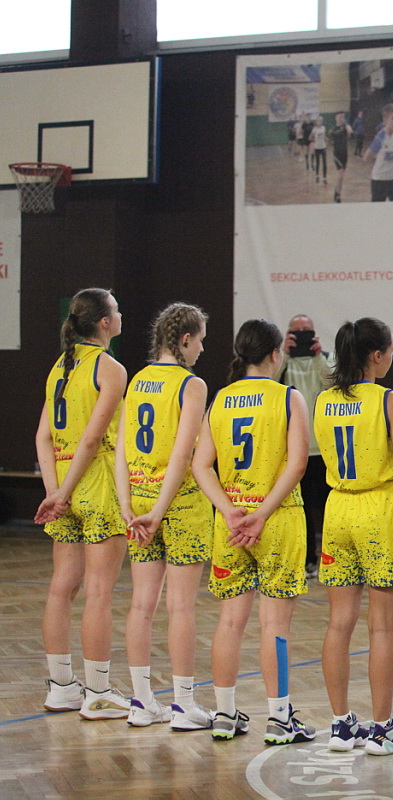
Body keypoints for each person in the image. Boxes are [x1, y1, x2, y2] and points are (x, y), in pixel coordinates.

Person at [192, 319, 315, 745]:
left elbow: (200, 465)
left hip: (229, 526)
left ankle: (224, 714)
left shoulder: (221, 399)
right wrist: (260, 514)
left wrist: (229, 510)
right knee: (274, 625)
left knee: (229, 622)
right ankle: (279, 719)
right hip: (276, 520)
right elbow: (297, 464)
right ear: (275, 354)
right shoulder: (288, 397)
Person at [315, 318, 393, 756]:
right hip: (379, 510)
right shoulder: (388, 400)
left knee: (338, 623)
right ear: (377, 355)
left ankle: (341, 725)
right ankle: (382, 730)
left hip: (338, 508)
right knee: (382, 627)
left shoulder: (323, 400)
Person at [116, 303, 215, 731]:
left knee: (141, 604)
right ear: (185, 339)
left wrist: (127, 505)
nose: (202, 349)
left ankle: (141, 702)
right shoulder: (191, 385)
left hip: (138, 502)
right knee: (180, 607)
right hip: (180, 506)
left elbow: (121, 449)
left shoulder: (138, 379)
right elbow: (182, 455)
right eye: (201, 340)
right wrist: (159, 511)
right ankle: (183, 706)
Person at [34, 288, 131, 720]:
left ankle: (60, 687)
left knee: (62, 586)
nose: (121, 314)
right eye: (117, 310)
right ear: (104, 322)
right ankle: (98, 692)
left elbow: (43, 437)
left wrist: (55, 492)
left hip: (62, 481)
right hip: (96, 483)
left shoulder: (60, 366)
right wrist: (66, 491)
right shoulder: (110, 368)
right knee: (99, 591)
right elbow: (92, 440)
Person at [279, 315, 335, 578]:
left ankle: (334, 559)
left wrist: (317, 356)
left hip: (323, 449)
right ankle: (306, 560)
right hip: (293, 450)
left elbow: (332, 384)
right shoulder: (281, 362)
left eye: (306, 330)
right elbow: (271, 383)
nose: (301, 334)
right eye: (296, 331)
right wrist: (284, 354)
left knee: (328, 507)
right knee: (299, 509)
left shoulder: (325, 359)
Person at [364, 104, 393, 202]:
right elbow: (366, 157)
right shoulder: (381, 136)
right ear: (385, 120)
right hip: (379, 180)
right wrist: (378, 156)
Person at [329, 111, 352, 203]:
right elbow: (333, 135)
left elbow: (350, 131)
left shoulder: (345, 127)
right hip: (337, 154)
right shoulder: (333, 129)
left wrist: (346, 125)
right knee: (341, 174)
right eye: (339, 117)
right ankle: (337, 194)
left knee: (342, 177)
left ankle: (338, 194)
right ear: (336, 118)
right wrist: (344, 128)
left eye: (343, 117)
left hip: (345, 154)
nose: (341, 119)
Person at [310, 115, 328, 185]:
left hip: (323, 147)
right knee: (318, 163)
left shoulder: (323, 128)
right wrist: (314, 141)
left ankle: (324, 178)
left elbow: (324, 136)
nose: (320, 122)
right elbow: (310, 137)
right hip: (317, 148)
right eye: (319, 120)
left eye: (321, 120)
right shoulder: (314, 129)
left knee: (324, 163)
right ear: (316, 121)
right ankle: (317, 176)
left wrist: (326, 139)